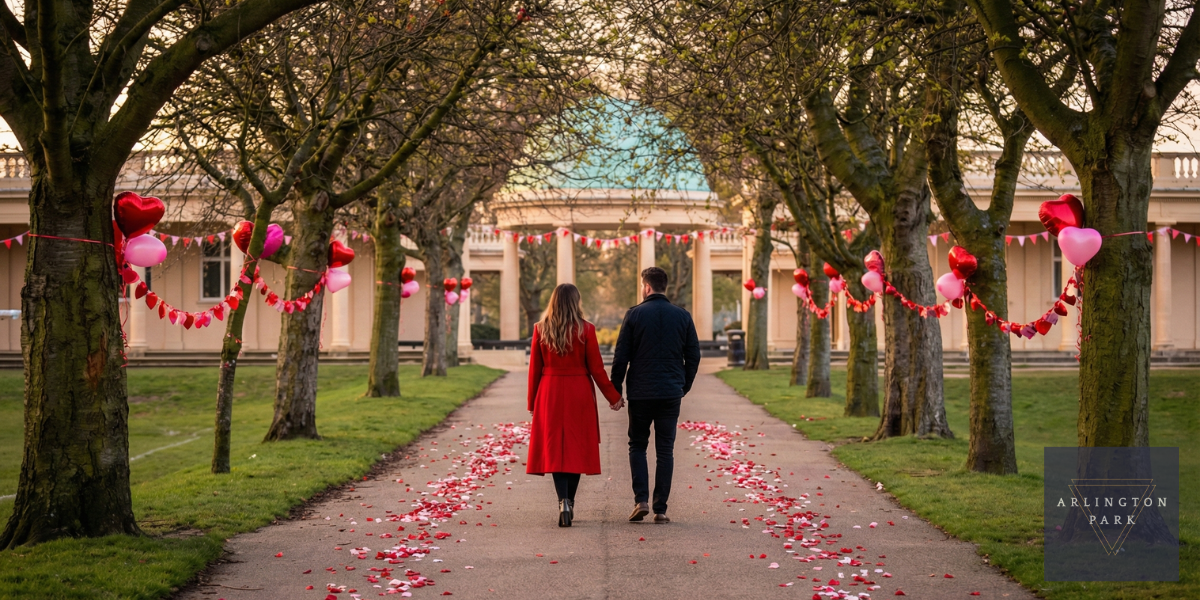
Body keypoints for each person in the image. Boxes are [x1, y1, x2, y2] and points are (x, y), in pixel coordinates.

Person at [526, 283, 624, 527]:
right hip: (578, 390)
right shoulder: (587, 329)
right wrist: (614, 397)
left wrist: (532, 402)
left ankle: (562, 501)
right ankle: (570, 501)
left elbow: (534, 371)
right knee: (576, 448)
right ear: (576, 301)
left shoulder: (540, 329)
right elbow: (597, 369)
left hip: (548, 391)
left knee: (556, 449)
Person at [610, 266, 701, 524]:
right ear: (665, 287)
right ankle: (661, 508)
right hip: (670, 392)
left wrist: (615, 390)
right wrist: (684, 385)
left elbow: (621, 356)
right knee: (665, 450)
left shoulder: (634, 315)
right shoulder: (682, 316)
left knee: (637, 445)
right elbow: (693, 355)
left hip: (641, 392)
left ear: (646, 287)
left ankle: (641, 500)